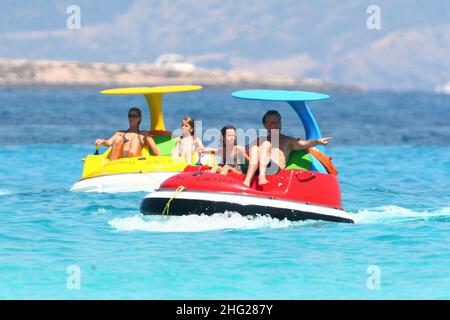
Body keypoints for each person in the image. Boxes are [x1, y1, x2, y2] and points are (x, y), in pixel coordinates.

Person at [243, 110, 332, 187]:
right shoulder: (260, 140)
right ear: (265, 125)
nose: (276, 125)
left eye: (278, 122)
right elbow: (244, 150)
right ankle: (247, 181)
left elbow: (303, 144)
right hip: (255, 168)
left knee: (265, 144)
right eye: (272, 123)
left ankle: (260, 177)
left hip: (274, 169)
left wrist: (317, 141)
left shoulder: (287, 140)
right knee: (254, 147)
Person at [95, 107, 160, 160]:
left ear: (140, 118)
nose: (132, 118)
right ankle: (112, 164)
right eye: (130, 116)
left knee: (135, 138)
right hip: (118, 160)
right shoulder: (120, 133)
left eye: (135, 116)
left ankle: (131, 160)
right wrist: (102, 141)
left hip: (134, 160)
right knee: (118, 138)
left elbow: (156, 151)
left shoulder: (144, 134)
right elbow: (108, 143)